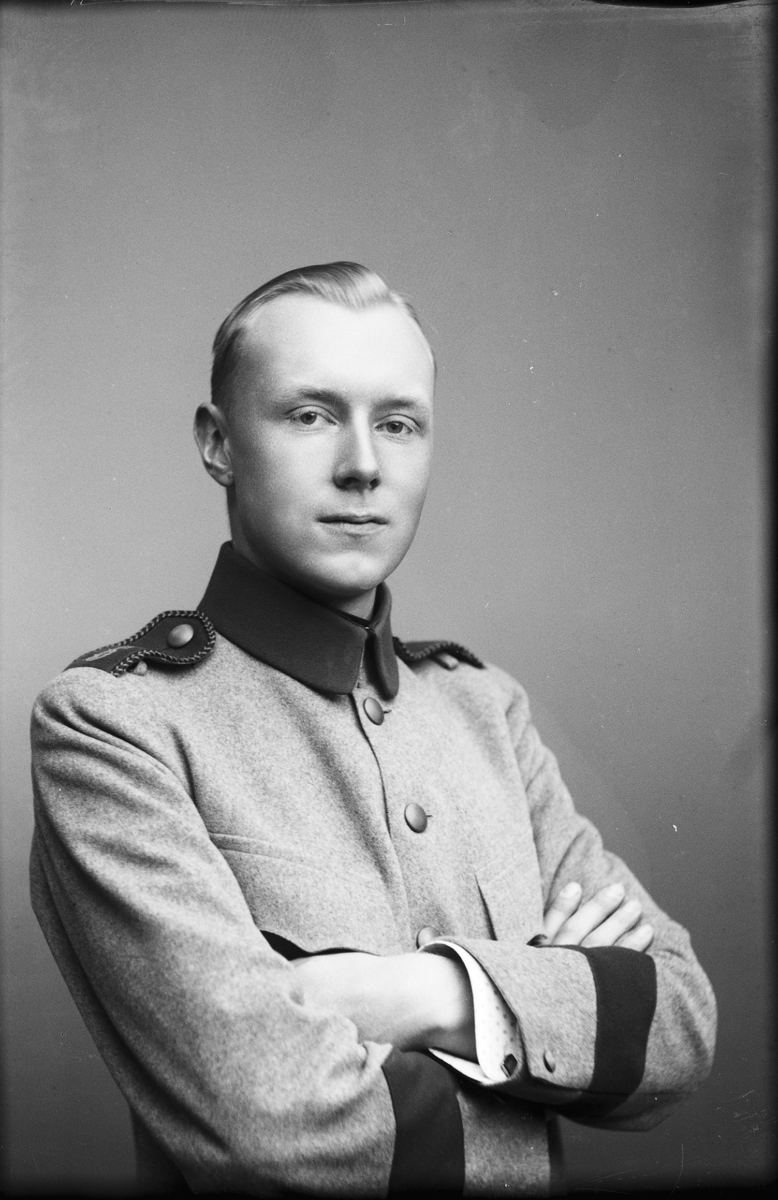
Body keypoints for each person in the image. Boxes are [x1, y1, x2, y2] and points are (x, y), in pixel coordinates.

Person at [30, 262, 716, 1196]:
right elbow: (272, 1123)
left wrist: (423, 993)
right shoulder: (115, 724)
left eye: (398, 423)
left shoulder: (484, 708)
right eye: (311, 415)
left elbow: (681, 1023)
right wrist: (540, 1002)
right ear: (219, 444)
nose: (364, 464)